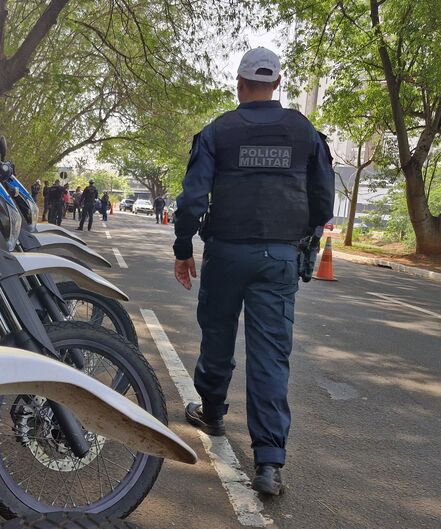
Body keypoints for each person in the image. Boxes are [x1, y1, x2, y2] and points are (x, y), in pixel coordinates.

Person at [172, 47, 334, 496]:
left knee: (217, 336)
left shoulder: (218, 131)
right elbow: (323, 198)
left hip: (225, 253)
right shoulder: (304, 132)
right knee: (271, 355)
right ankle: (269, 463)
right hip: (279, 258)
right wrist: (309, 241)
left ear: (239, 83)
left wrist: (184, 247)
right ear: (277, 84)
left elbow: (191, 200)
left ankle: (213, 412)